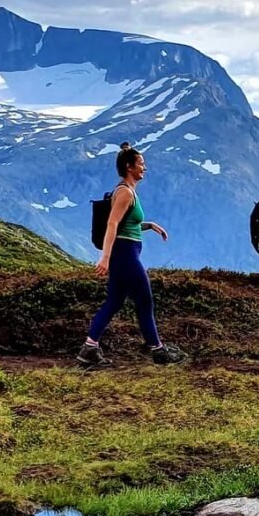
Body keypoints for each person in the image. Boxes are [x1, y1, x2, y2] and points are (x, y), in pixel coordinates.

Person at [78, 143, 187, 367]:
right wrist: (105, 258)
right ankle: (158, 351)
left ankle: (89, 348)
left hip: (126, 251)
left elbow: (127, 223)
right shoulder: (125, 193)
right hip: (125, 254)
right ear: (129, 167)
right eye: (141, 164)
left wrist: (149, 225)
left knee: (114, 301)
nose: (144, 168)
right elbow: (113, 224)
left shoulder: (127, 191)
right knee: (144, 300)